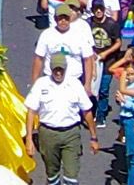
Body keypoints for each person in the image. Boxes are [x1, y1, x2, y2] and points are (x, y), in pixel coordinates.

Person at [24, 53, 99, 185]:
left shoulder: (75, 84)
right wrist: (29, 139)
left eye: (61, 69)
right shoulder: (41, 85)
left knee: (71, 177)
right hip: (48, 134)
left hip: (71, 134)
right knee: (52, 175)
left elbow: (86, 111)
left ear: (65, 69)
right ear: (51, 69)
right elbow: (31, 112)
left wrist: (93, 137)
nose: (58, 73)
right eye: (55, 70)